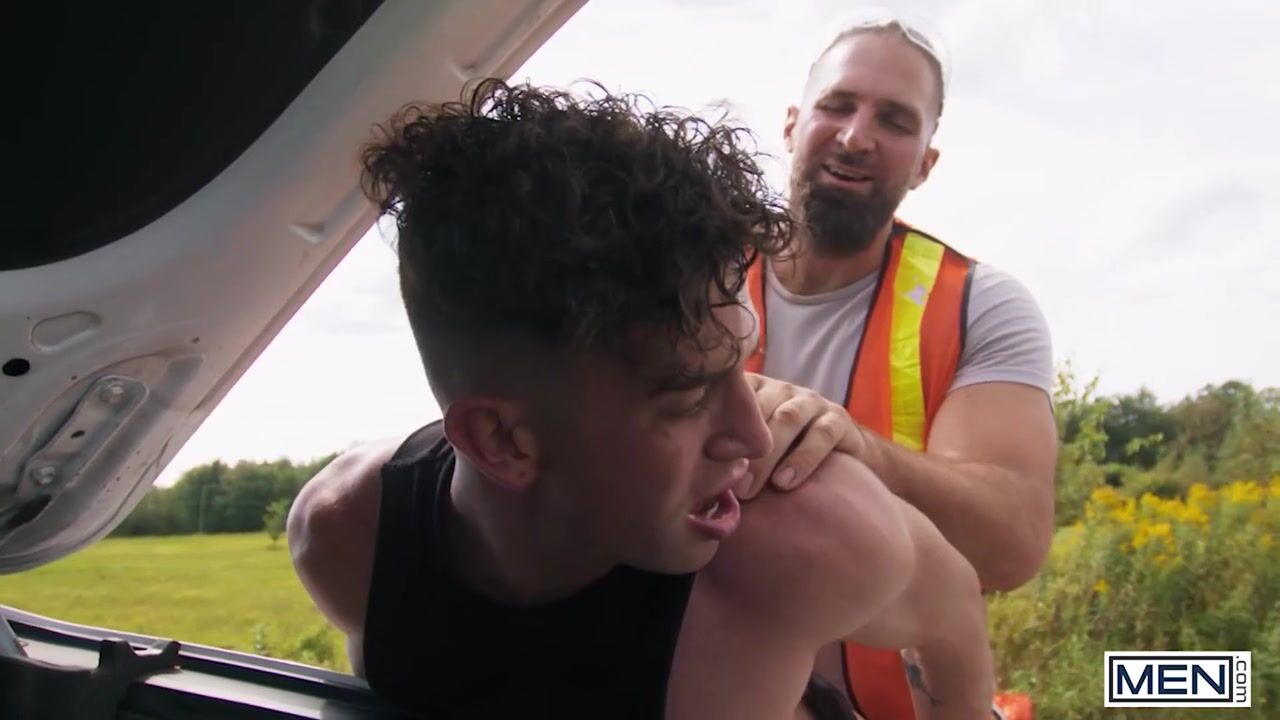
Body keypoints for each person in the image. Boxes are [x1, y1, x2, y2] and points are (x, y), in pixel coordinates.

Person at [287, 79, 995, 719]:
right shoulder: (348, 537)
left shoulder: (810, 538)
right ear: (502, 442)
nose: (753, 437)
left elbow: (954, 609)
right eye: (686, 398)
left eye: (741, 366)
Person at [733, 12, 1059, 719]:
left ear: (924, 165)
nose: (857, 137)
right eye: (837, 105)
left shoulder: (978, 304)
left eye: (895, 121)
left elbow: (1013, 544)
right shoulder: (697, 273)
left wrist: (852, 446)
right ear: (792, 124)